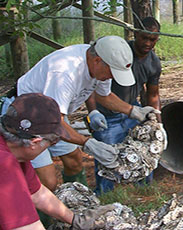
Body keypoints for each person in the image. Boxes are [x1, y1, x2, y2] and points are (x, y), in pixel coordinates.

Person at [10, 35, 159, 192]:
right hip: (26, 117)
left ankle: (77, 201)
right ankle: (39, 214)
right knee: (48, 180)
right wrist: (88, 143)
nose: (112, 77)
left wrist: (133, 111)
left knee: (74, 161)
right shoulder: (65, 72)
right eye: (112, 72)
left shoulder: (100, 64)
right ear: (97, 61)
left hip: (53, 115)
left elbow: (104, 96)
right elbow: (54, 122)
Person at [0, 93, 114, 230]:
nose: (53, 145)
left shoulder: (17, 152)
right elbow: (26, 227)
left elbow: (38, 194)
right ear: (35, 142)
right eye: (53, 141)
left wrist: (76, 220)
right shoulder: (4, 163)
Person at [90, 16, 163, 195]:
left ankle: (144, 191)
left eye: (152, 39)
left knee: (146, 150)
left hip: (133, 110)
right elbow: (91, 86)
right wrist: (93, 112)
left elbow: (153, 94)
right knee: (106, 157)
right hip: (107, 113)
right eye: (144, 37)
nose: (147, 43)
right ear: (135, 34)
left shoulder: (153, 63)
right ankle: (104, 195)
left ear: (157, 39)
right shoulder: (120, 52)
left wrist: (158, 123)